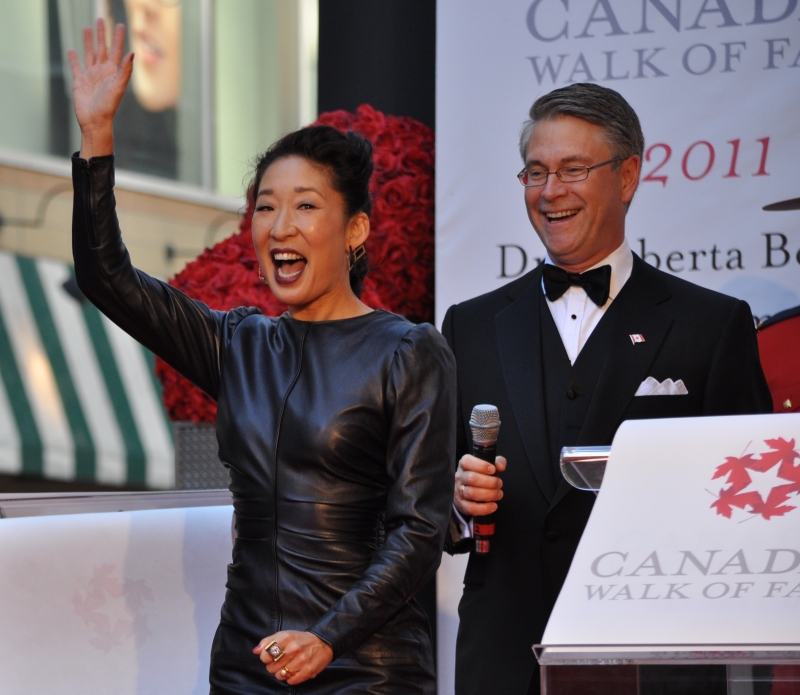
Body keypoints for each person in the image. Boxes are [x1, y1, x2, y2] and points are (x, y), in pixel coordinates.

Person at [68, 21, 455, 694]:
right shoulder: (238, 344)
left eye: (305, 206)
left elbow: (419, 531)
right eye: (265, 207)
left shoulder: (410, 350)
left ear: (356, 229)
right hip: (251, 664)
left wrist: (327, 637)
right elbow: (107, 277)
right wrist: (98, 137)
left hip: (367, 665)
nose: (279, 227)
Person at [442, 82, 773, 695]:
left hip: (662, 662)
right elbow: (428, 499)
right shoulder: (469, 325)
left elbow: (752, 508)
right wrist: (459, 504)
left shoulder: (711, 324)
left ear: (626, 177)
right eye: (535, 172)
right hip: (505, 659)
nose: (550, 192)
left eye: (573, 170)